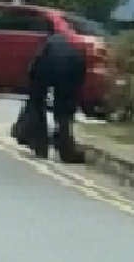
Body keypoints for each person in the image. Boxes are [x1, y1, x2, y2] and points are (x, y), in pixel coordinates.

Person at [12, 30, 87, 163]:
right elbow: (79, 76)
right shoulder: (72, 50)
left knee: (36, 104)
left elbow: (34, 81)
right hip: (72, 67)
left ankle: (39, 143)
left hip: (47, 66)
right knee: (64, 110)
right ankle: (66, 148)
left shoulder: (43, 49)